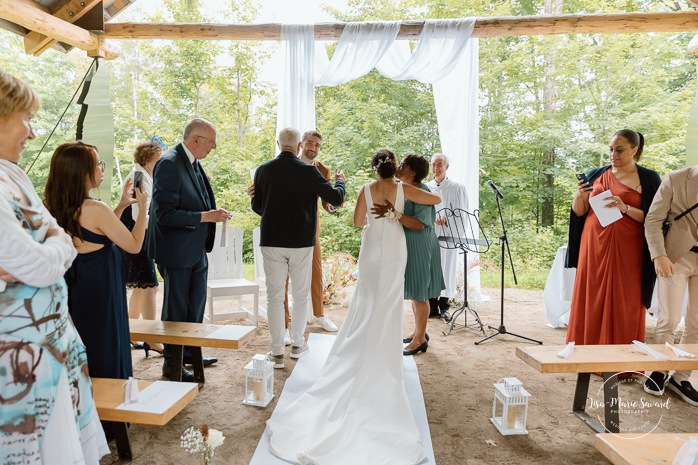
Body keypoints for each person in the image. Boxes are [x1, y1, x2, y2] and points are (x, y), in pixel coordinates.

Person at [266, 149, 440, 464]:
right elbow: (436, 201)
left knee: (368, 299)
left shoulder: (366, 189)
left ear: (375, 169)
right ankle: (382, 352)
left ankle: (360, 346)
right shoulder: (404, 189)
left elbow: (359, 221)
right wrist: (396, 215)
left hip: (373, 250)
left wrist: (378, 215)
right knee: (388, 303)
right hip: (396, 248)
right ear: (393, 169)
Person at [0, 71, 109, 464]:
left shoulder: (12, 173)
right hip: (18, 362)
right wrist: (50, 246)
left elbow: (57, 238)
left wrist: (52, 243)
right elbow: (39, 264)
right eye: (25, 118)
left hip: (52, 341)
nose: (31, 134)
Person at [44, 140, 146, 440]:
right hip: (102, 289)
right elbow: (133, 244)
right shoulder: (96, 209)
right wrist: (143, 209)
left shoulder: (53, 206)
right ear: (82, 172)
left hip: (75, 288)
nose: (102, 169)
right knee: (108, 345)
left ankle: (84, 416)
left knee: (84, 347)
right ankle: (111, 422)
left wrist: (121, 207)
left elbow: (92, 234)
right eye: (98, 164)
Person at [251, 127, 345, 369]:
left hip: (271, 241)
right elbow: (336, 198)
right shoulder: (308, 171)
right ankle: (296, 345)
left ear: (278, 143)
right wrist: (340, 182)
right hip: (301, 242)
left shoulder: (262, 170)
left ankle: (276, 352)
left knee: (273, 296)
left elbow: (259, 207)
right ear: (299, 145)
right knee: (300, 295)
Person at [147, 118, 231, 382]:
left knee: (195, 308)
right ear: (196, 140)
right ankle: (172, 368)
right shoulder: (169, 163)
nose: (214, 147)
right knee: (176, 311)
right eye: (212, 142)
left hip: (196, 251)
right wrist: (205, 217)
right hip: (177, 252)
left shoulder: (193, 163)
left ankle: (190, 355)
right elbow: (164, 214)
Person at [565, 129, 661, 346]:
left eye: (620, 150)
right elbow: (580, 212)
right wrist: (579, 194)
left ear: (634, 150)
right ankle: (586, 351)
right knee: (591, 295)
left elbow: (656, 218)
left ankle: (622, 357)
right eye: (610, 149)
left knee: (625, 298)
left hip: (629, 247)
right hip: (593, 244)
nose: (613, 154)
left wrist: (625, 206)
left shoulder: (649, 178)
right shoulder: (596, 174)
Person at [373, 153, 445, 356]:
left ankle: (420, 339)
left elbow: (419, 224)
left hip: (421, 244)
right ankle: (417, 332)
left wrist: (393, 214)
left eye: (403, 164)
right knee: (415, 292)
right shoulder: (403, 189)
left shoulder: (421, 191)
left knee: (420, 294)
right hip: (411, 244)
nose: (399, 166)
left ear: (413, 172)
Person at [643, 165, 698, 404]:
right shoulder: (676, 178)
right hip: (675, 257)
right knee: (669, 319)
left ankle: (682, 377)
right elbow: (653, 220)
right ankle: (659, 369)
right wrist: (659, 255)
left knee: (697, 324)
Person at [282, 130, 341, 339]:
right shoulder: (286, 164)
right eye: (309, 143)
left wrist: (334, 206)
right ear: (300, 144)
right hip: (286, 229)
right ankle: (283, 323)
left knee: (316, 272)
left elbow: (327, 203)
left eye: (317, 145)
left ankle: (319, 314)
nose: (313, 148)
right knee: (284, 278)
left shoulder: (322, 169)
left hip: (310, 229)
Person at [120, 140, 163, 356]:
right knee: (149, 287)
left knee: (139, 287)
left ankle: (131, 334)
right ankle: (152, 338)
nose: (160, 163)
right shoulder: (138, 178)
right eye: (158, 159)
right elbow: (139, 215)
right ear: (147, 159)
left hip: (137, 235)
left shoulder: (142, 176)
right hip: (138, 236)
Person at [426, 153, 469, 321]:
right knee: (430, 269)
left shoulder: (456, 188)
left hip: (448, 235)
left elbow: (462, 213)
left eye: (439, 164)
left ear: (446, 167)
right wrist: (431, 219)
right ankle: (431, 305)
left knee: (446, 269)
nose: (436, 168)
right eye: (434, 165)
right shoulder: (426, 187)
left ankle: (444, 306)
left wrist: (447, 220)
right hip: (430, 235)